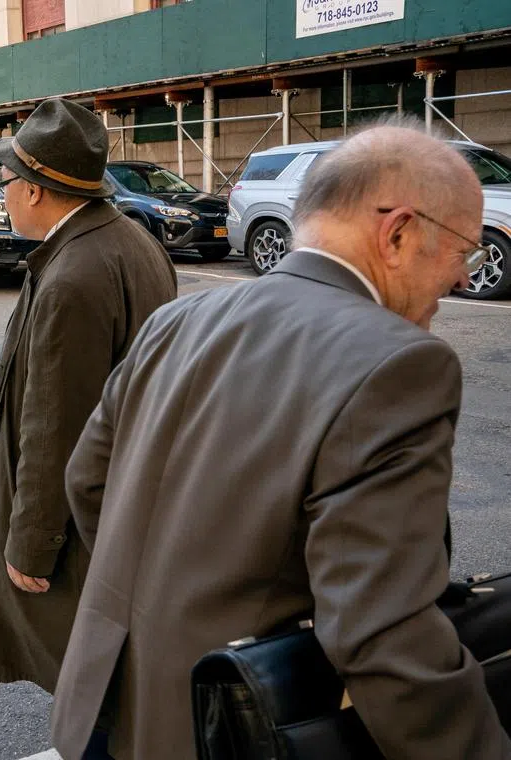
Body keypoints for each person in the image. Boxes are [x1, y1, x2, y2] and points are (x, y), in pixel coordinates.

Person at [50, 119, 511, 760]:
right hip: (236, 722)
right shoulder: (399, 363)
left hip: (108, 702)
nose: (464, 278)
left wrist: (172, 592)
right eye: (463, 249)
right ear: (399, 233)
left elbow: (88, 482)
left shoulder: (178, 319)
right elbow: (383, 630)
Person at [0, 99, 177, 706]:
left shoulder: (73, 274)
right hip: (124, 506)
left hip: (85, 527)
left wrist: (32, 541)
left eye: (5, 183)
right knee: (109, 678)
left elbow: (56, 425)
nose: (1, 194)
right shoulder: (126, 239)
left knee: (92, 690)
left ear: (35, 192)